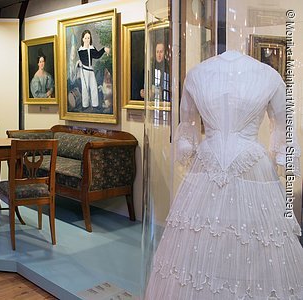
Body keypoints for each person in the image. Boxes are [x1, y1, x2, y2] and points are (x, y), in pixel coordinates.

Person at [145, 50, 303, 299]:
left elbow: (283, 126)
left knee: (256, 241)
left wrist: (284, 157)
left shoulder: (266, 77)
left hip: (244, 168)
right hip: (218, 166)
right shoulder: (199, 75)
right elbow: (188, 124)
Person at [77, 29, 110, 108]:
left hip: (90, 70)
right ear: (82, 39)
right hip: (84, 70)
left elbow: (97, 55)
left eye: (88, 38)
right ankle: (85, 105)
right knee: (85, 88)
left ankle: (95, 105)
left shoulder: (92, 48)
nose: (87, 40)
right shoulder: (80, 50)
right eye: (85, 38)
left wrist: (104, 49)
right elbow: (81, 60)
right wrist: (79, 63)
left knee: (94, 86)